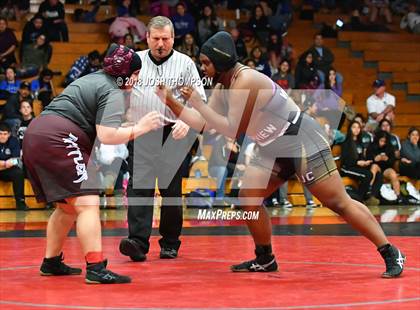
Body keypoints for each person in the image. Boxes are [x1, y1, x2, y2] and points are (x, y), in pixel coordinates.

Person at [156, 31, 405, 278]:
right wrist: (171, 101)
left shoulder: (247, 80)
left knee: (337, 202)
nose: (203, 69)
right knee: (248, 199)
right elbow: (203, 124)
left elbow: (231, 128)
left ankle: (390, 251)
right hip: (271, 146)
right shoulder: (223, 86)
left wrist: (198, 103)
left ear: (221, 61)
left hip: (300, 138)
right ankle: (265, 258)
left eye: (206, 63)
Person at [22, 44, 163, 284]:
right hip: (59, 137)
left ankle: (51, 261)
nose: (137, 80)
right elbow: (107, 135)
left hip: (36, 134)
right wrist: (141, 128)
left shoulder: (95, 79)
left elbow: (107, 126)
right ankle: (96, 267)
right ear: (127, 74)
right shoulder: (114, 91)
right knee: (88, 202)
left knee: (66, 208)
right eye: (136, 75)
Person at [119, 16, 206, 262]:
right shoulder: (134, 61)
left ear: (173, 38)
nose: (160, 44)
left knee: (171, 191)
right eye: (155, 39)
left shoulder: (185, 63)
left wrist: (185, 120)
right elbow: (119, 92)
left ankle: (170, 242)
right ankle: (137, 241)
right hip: (143, 131)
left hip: (174, 132)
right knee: (139, 188)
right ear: (146, 37)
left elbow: (200, 101)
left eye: (165, 39)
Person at [340, 120, 381, 204]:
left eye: (358, 127)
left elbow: (361, 158)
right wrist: (357, 163)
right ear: (350, 129)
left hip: (356, 166)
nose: (356, 129)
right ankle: (359, 199)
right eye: (354, 127)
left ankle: (370, 196)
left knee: (378, 173)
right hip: (347, 168)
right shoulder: (346, 142)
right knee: (368, 175)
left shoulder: (360, 142)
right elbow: (345, 160)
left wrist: (366, 162)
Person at [367, 130, 402, 204]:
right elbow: (368, 159)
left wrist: (387, 159)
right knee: (374, 166)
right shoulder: (371, 146)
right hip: (376, 167)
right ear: (377, 139)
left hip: (386, 168)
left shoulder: (390, 147)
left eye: (384, 141)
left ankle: (398, 196)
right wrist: (375, 159)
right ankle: (369, 189)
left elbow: (392, 161)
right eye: (381, 141)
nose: (382, 143)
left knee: (393, 174)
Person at [0, 122, 27, 210]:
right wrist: (5, 163)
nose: (2, 136)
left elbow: (15, 160)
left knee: (18, 172)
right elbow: (9, 162)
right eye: (0, 134)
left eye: (5, 134)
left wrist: (3, 164)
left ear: (9, 134)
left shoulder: (13, 141)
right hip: (5, 167)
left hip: (8, 171)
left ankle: (20, 202)